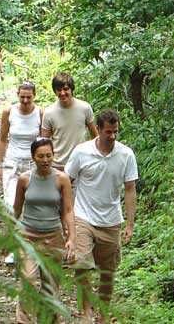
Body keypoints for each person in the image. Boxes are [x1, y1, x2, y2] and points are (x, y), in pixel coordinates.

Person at [65, 110, 138, 324]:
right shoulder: (82, 152)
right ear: (97, 129)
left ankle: (102, 314)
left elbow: (130, 189)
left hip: (111, 221)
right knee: (82, 266)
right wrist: (66, 216)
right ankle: (86, 313)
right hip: (83, 217)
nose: (112, 136)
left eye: (115, 132)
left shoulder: (126, 155)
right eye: (108, 132)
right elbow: (66, 181)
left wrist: (130, 224)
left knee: (108, 272)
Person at [13, 138, 76, 324]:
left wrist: (71, 237)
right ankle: (22, 320)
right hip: (28, 236)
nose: (45, 160)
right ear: (33, 157)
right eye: (41, 156)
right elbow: (16, 208)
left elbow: (68, 210)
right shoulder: (25, 179)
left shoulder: (62, 179)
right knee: (28, 280)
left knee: (50, 286)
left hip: (53, 237)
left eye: (49, 155)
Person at [0, 81, 43, 264]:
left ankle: (34, 248)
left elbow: (43, 140)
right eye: (22, 96)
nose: (24, 100)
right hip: (12, 163)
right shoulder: (9, 112)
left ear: (34, 96)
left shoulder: (40, 113)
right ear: (17, 94)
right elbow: (2, 139)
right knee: (11, 206)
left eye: (28, 97)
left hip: (32, 164)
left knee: (33, 205)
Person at [40, 73, 97, 171]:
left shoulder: (85, 108)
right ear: (55, 91)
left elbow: (94, 136)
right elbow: (45, 142)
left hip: (80, 163)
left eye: (66, 89)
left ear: (72, 89)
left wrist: (93, 157)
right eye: (59, 90)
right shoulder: (49, 112)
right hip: (57, 165)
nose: (62, 93)